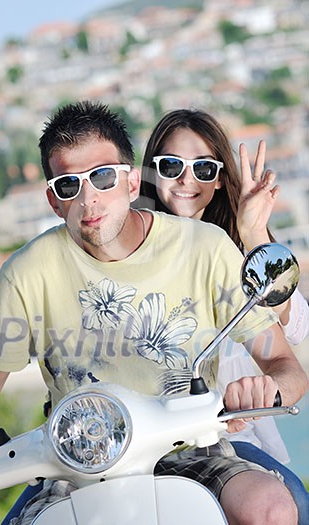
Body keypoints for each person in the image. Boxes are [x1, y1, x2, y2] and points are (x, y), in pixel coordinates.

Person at [0, 101, 307, 525]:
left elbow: (285, 365)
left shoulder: (206, 247)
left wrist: (265, 390)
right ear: (53, 200)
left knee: (271, 508)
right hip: (75, 469)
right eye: (69, 185)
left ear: (129, 181)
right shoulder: (25, 274)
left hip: (192, 448)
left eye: (102, 177)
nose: (89, 200)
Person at [140, 107, 309, 523]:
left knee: (293, 505)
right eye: (171, 165)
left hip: (225, 436)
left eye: (203, 167)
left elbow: (296, 328)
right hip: (138, 441)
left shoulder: (234, 250)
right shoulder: (125, 251)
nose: (186, 179)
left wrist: (252, 233)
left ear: (218, 178)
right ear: (150, 173)